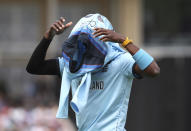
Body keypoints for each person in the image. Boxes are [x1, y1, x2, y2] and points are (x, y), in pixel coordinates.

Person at [26, 14, 160, 131]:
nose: (88, 43)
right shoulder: (73, 64)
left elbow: (153, 70)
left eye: (93, 37)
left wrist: (124, 41)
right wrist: (48, 38)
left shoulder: (120, 62)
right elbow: (34, 67)